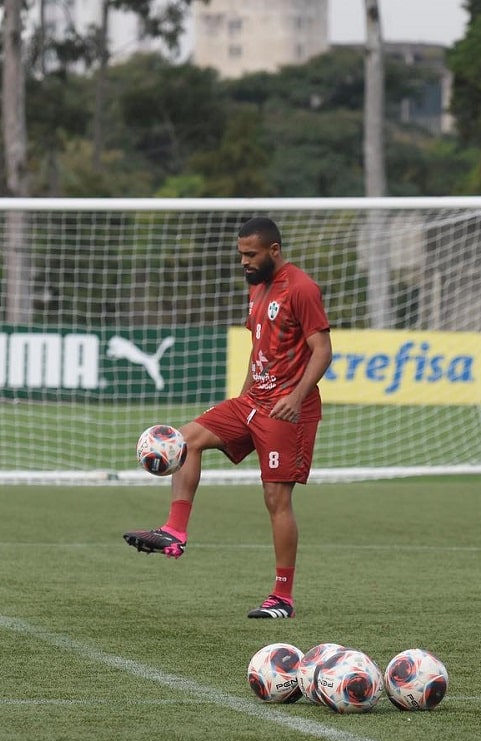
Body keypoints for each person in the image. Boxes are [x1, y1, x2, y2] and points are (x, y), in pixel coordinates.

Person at [123, 217, 333, 619]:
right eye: (240, 254)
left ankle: (282, 598)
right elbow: (261, 351)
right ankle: (175, 531)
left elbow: (322, 350)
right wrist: (241, 399)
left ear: (274, 251)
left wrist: (296, 395)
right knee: (184, 441)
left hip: (288, 410)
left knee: (276, 499)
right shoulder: (257, 287)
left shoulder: (302, 288)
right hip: (253, 401)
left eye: (250, 254)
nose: (244, 262)